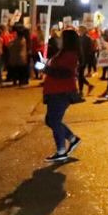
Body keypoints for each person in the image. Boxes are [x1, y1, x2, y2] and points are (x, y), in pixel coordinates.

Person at [41, 29, 84, 163]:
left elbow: (64, 73)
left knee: (54, 121)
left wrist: (45, 68)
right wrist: (46, 62)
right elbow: (57, 68)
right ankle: (72, 139)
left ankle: (61, 151)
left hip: (61, 92)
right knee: (50, 120)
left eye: (61, 37)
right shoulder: (63, 53)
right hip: (55, 91)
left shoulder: (70, 55)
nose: (59, 39)